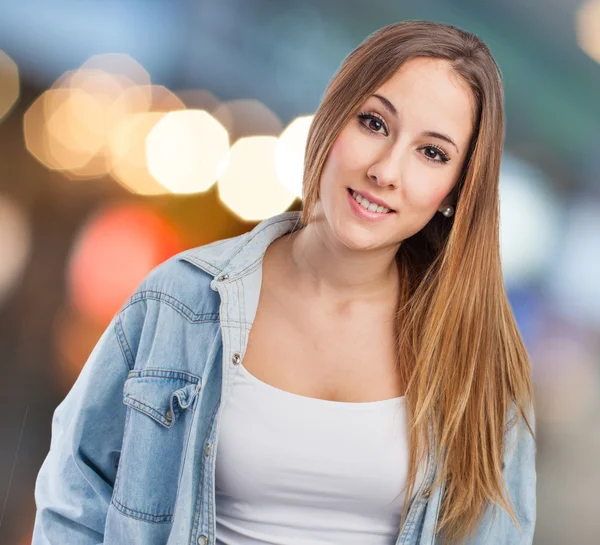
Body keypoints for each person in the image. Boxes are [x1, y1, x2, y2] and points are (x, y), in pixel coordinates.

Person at [32, 19, 536, 545]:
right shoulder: (181, 302)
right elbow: (74, 501)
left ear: (457, 190)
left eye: (432, 153)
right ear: (333, 117)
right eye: (373, 123)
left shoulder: (482, 366)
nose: (386, 171)